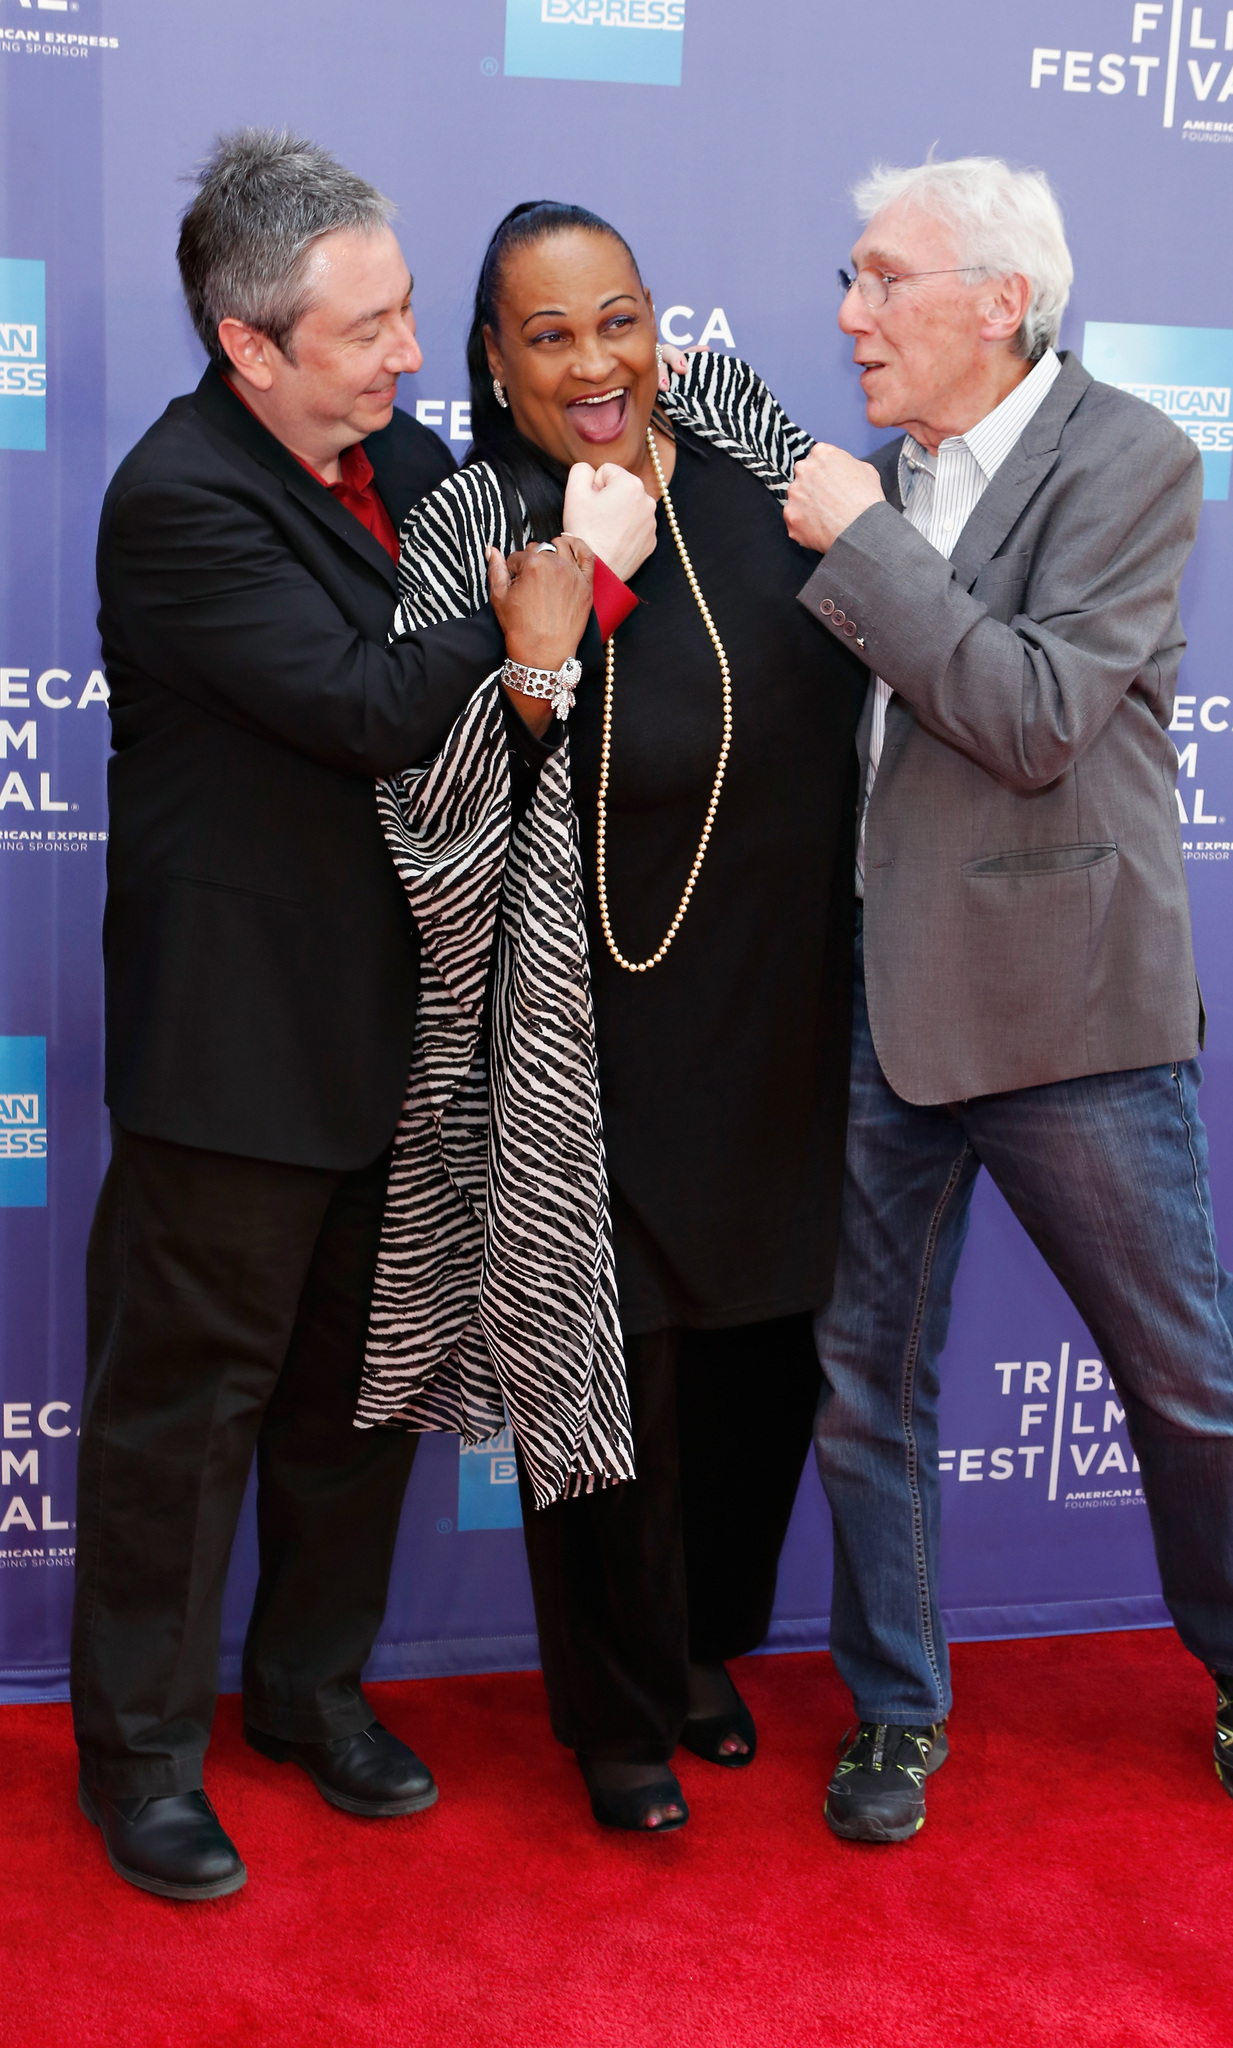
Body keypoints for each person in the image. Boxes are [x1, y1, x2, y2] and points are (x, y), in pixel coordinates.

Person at [72, 132, 596, 1901]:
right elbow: (369, 706)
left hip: (405, 1035)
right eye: (362, 330)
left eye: (398, 316)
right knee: (183, 1420)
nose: (401, 355)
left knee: (356, 1407)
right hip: (234, 1049)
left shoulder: (406, 453)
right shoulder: (179, 503)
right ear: (249, 347)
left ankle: (306, 1692)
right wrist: (528, 620)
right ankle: (140, 1757)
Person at [782, 155, 1233, 1843]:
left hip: (1071, 1010)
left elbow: (1024, 715)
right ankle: (892, 1714)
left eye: (881, 279)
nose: (848, 313)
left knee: (1179, 1373)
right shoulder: (885, 475)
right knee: (867, 1381)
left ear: (998, 302)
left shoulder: (1132, 458)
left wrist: (862, 543)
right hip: (881, 1004)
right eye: (850, 282)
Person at [356, 201, 867, 1834]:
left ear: (665, 325)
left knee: (760, 1370)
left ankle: (708, 1646)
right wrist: (592, 595)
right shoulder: (468, 526)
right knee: (614, 1381)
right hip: (588, 1039)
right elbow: (437, 803)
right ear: (495, 361)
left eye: (622, 319)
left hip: (781, 1010)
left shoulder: (751, 464)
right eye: (552, 334)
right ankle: (621, 1718)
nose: (598, 363)